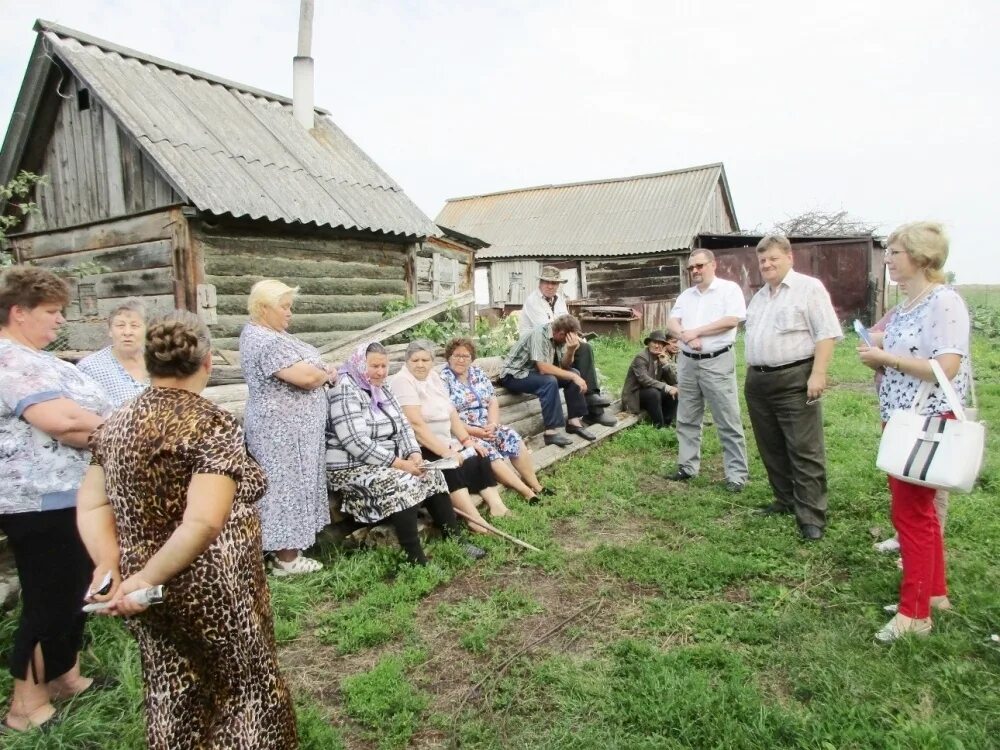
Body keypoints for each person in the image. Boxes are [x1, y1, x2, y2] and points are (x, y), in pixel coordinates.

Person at [77, 310, 298, 749]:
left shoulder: (117, 421)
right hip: (211, 583)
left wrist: (110, 564)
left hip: (146, 587)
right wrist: (144, 578)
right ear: (207, 363)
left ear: (148, 361)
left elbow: (93, 502)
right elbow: (203, 521)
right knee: (245, 688)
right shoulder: (209, 422)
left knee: (172, 686)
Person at [0, 267, 110, 734]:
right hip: (41, 502)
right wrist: (132, 435)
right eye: (51, 311)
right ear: (18, 313)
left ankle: (64, 678)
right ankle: (24, 708)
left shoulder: (37, 358)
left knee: (78, 588)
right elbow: (63, 422)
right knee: (52, 598)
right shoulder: (10, 361)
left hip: (74, 496)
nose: (60, 319)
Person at [857, 222, 969, 642]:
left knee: (912, 515)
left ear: (921, 257)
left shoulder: (944, 301)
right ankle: (934, 593)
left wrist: (886, 357)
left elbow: (947, 368)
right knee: (916, 511)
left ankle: (914, 614)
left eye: (894, 252)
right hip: (903, 419)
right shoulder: (908, 304)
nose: (887, 258)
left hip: (929, 420)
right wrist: (881, 352)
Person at [326, 342, 486, 564]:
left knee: (432, 474)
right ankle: (415, 557)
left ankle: (455, 539)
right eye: (374, 366)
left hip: (386, 463)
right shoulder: (345, 391)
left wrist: (414, 454)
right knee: (404, 481)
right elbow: (355, 442)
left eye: (384, 366)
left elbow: (403, 426)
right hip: (352, 468)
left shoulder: (383, 388)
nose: (381, 372)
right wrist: (399, 464)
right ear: (360, 365)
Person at [744, 235, 843, 541]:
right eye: (762, 260)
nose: (767, 264)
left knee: (804, 448)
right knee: (770, 445)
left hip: (794, 378)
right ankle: (785, 500)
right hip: (758, 380)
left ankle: (811, 515)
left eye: (773, 258)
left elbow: (826, 333)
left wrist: (818, 373)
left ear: (789, 257)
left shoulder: (808, 288)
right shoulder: (761, 296)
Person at [240, 279, 337, 575]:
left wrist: (320, 372)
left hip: (296, 433)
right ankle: (286, 559)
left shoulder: (273, 334)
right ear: (263, 308)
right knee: (285, 490)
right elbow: (305, 377)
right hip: (280, 434)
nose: (289, 313)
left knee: (295, 487)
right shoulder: (263, 340)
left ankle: (287, 550)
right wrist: (326, 372)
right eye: (284, 307)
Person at [390, 340, 511, 527]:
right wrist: (446, 452)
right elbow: (416, 425)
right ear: (407, 361)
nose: (420, 364)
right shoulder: (402, 381)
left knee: (478, 455)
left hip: (445, 441)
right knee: (449, 465)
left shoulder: (433, 377)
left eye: (425, 359)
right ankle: (475, 520)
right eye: (415, 360)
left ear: (432, 361)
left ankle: (497, 505)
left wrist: (466, 440)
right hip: (419, 446)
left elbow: (451, 412)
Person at [665, 249, 750, 492]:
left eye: (699, 266)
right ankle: (687, 466)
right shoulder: (687, 295)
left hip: (717, 360)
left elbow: (731, 320)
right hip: (688, 360)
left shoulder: (728, 290)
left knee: (727, 417)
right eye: (691, 268)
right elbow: (673, 322)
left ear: (713, 264)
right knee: (688, 416)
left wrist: (697, 332)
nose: (695, 271)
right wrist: (685, 336)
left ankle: (736, 475)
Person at [441, 336, 548, 502]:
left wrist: (493, 424)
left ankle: (537, 485)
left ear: (472, 358)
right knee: (487, 451)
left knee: (511, 436)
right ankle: (527, 493)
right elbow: (447, 416)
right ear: (449, 356)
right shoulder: (443, 379)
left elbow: (492, 401)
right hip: (462, 433)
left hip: (486, 427)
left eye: (466, 356)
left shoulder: (477, 373)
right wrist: (476, 432)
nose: (461, 360)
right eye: (457, 355)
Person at [518, 266, 615, 427]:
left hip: (555, 343)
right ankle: (591, 410)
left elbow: (566, 322)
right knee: (577, 355)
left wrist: (576, 337)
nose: (550, 286)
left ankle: (592, 402)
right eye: (547, 282)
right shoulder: (533, 301)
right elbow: (549, 328)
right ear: (540, 283)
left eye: (554, 283)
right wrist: (570, 336)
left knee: (584, 348)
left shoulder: (559, 299)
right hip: (537, 349)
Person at [499, 314, 595, 447]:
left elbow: (565, 366)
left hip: (533, 373)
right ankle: (550, 433)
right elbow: (543, 368)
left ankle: (574, 422)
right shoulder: (539, 334)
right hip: (513, 375)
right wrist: (574, 377)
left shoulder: (559, 338)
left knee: (574, 373)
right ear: (560, 333)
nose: (570, 340)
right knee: (550, 381)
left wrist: (571, 350)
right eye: (567, 337)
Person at [77, 298, 149, 408]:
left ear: (147, 329)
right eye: (120, 325)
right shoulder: (90, 368)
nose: (127, 332)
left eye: (134, 326)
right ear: (110, 330)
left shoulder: (160, 360)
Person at [621, 330, 679, 428]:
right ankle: (659, 426)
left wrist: (665, 364)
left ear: (664, 346)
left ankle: (667, 423)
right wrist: (666, 387)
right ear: (649, 343)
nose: (657, 346)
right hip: (635, 395)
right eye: (654, 342)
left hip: (650, 393)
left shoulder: (660, 357)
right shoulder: (641, 357)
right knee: (654, 392)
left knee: (675, 389)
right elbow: (644, 380)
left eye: (660, 344)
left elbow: (673, 381)